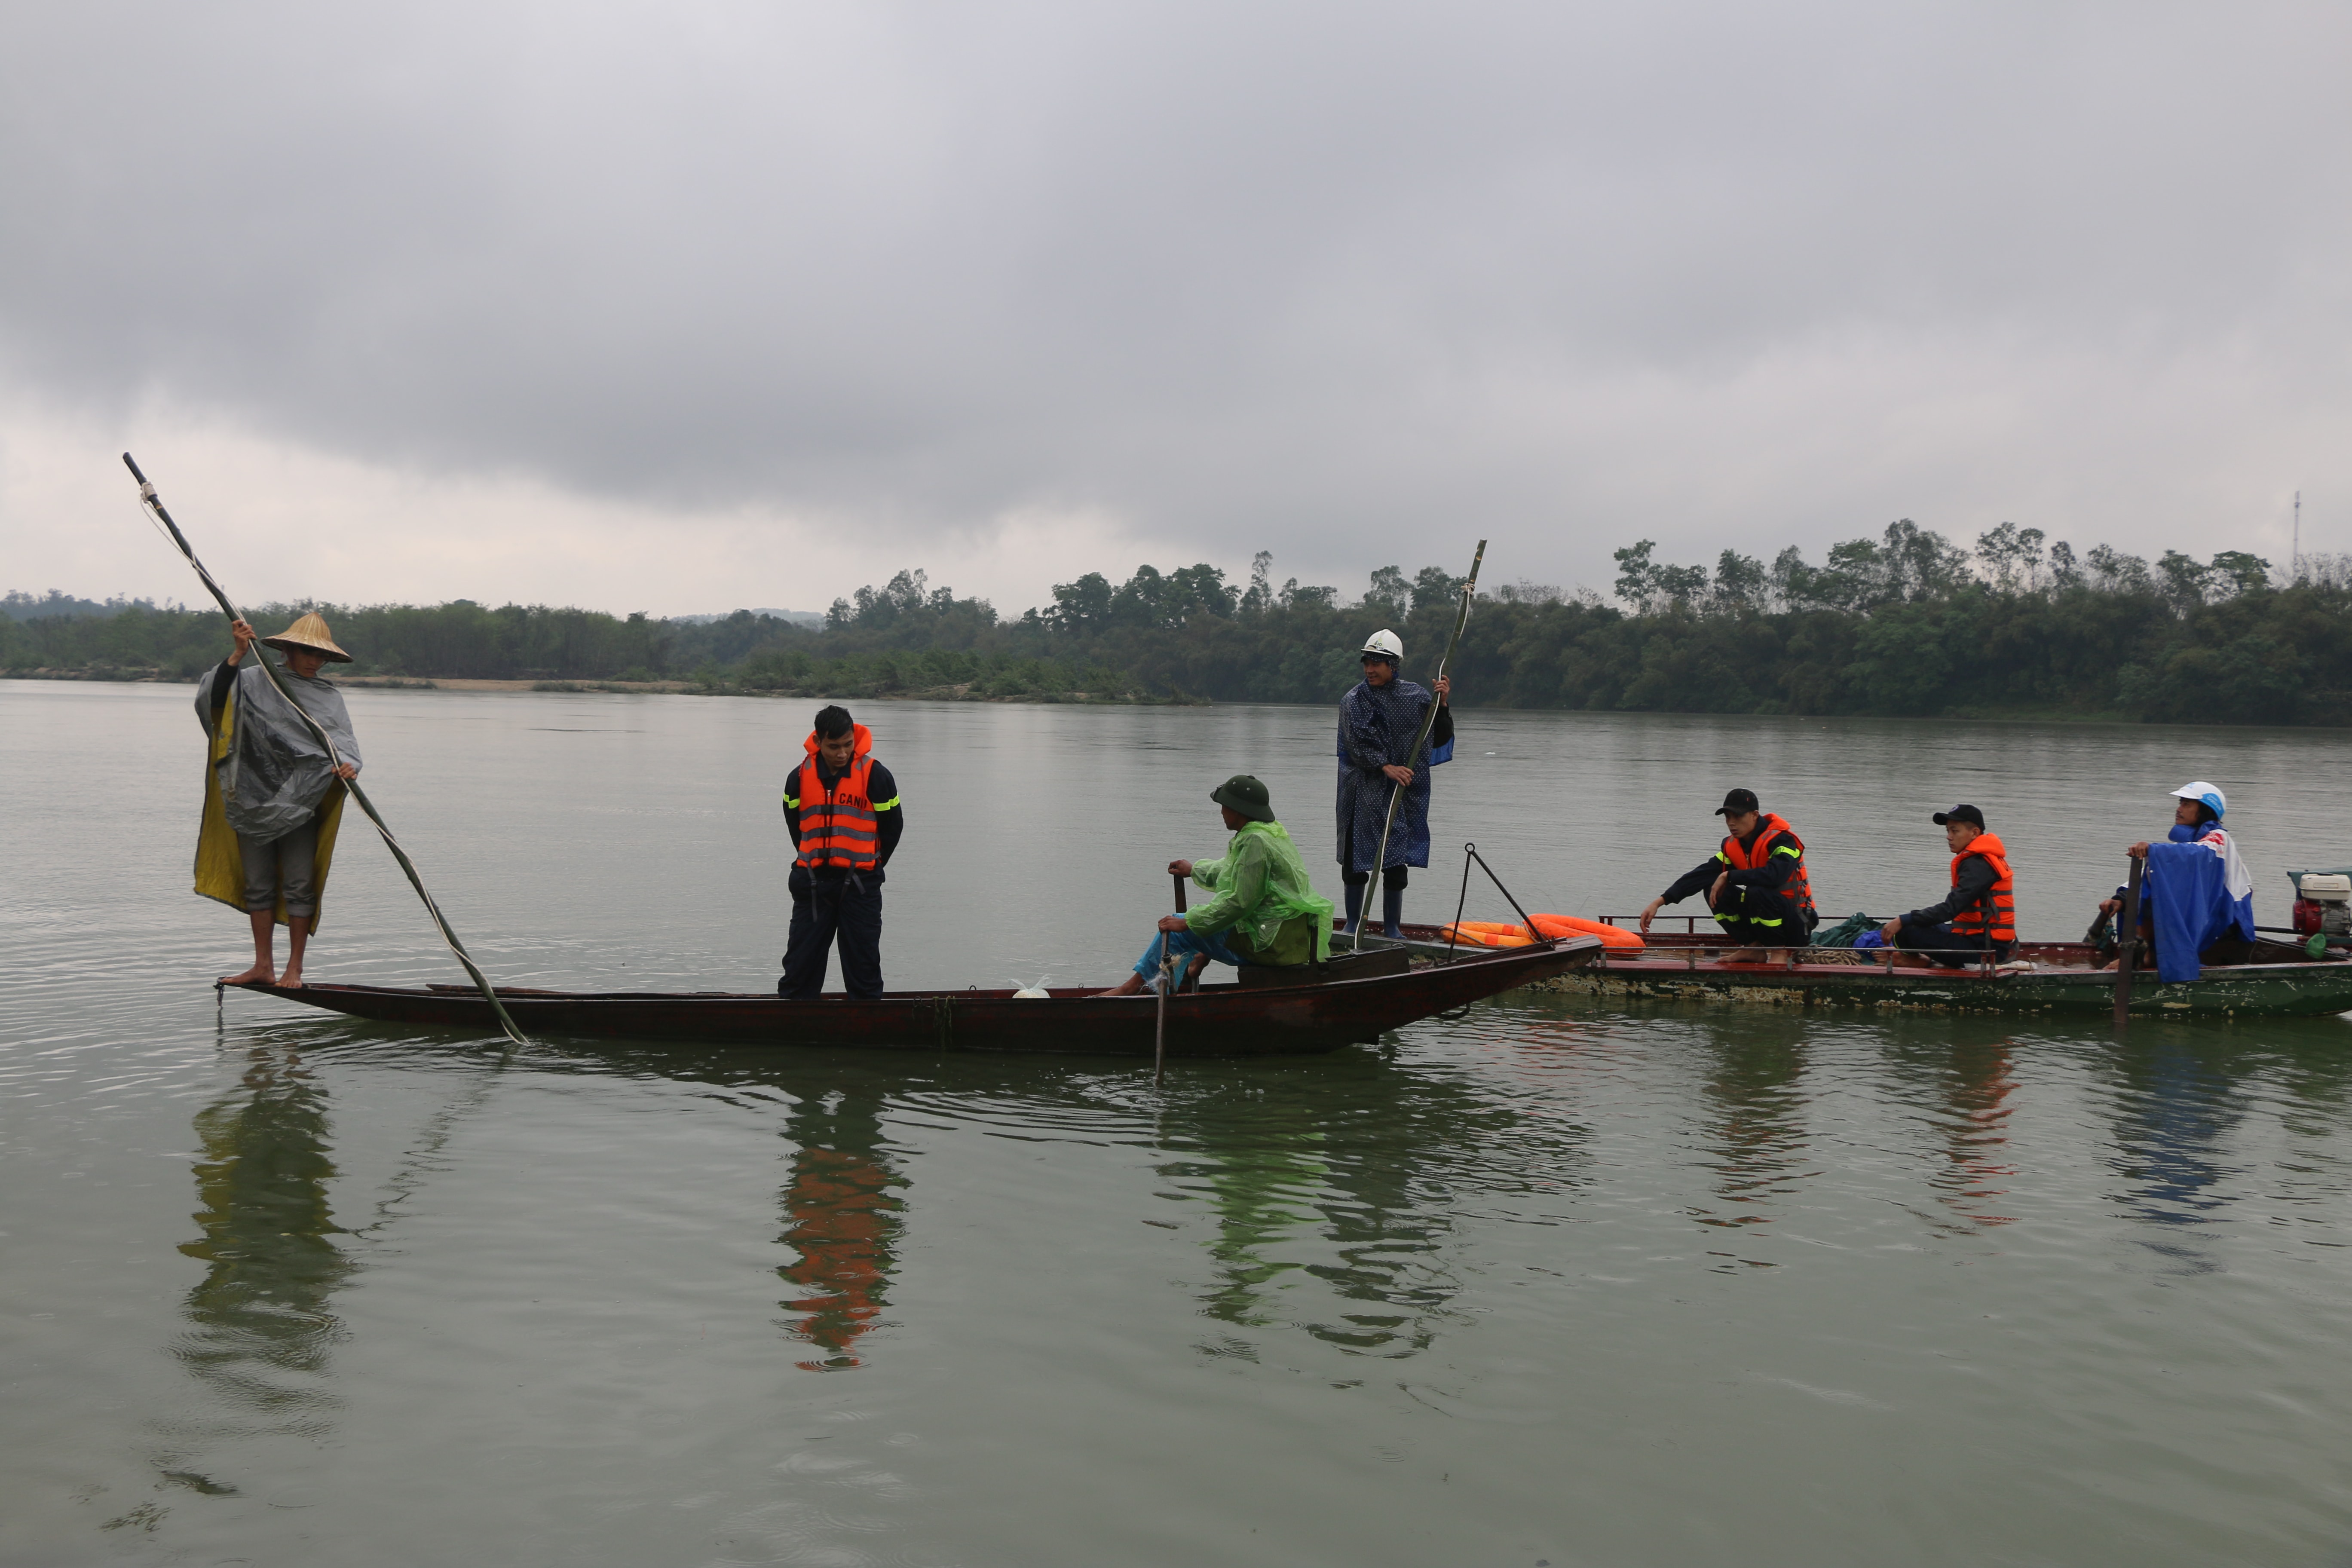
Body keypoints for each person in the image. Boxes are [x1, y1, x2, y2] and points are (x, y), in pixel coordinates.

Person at [196, 613, 362, 988]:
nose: (313, 661)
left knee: (300, 885)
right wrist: (238, 655)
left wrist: (349, 767)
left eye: (320, 656)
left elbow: (345, 747)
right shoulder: (254, 680)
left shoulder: (327, 696)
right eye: (306, 652)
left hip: (301, 800)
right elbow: (213, 702)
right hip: (251, 796)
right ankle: (263, 966)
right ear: (286, 649)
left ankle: (295, 970)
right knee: (258, 885)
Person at [1098, 775, 1334, 995]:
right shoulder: (1268, 832)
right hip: (1285, 936)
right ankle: (1194, 963)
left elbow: (1239, 903)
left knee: (1178, 930)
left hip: (1270, 944)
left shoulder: (1254, 841)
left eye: (1224, 806)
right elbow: (1234, 871)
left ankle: (1133, 991)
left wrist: (1188, 921)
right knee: (1205, 919)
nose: (1222, 812)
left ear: (1237, 809)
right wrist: (1194, 870)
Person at [780, 706, 904, 999]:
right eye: (834, 747)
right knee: (800, 967)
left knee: (863, 968)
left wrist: (871, 863)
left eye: (848, 745)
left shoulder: (877, 776)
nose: (842, 753)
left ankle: (866, 1025)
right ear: (819, 741)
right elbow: (795, 826)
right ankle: (793, 1023)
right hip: (813, 885)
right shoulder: (797, 778)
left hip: (860, 885)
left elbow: (893, 828)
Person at [1336, 630, 1453, 937]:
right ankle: (1352, 924)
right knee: (1355, 858)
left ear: (1393, 665)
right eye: (1367, 662)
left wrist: (1442, 705)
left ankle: (1392, 928)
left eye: (1378, 663)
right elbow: (1355, 744)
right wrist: (1386, 766)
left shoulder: (1416, 697)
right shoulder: (1354, 700)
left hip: (1402, 793)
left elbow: (1437, 737)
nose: (1370, 669)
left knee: (1395, 858)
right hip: (1361, 791)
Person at [2093, 781, 2257, 977]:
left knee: (2154, 893)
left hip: (2226, 915)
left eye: (2187, 804)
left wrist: (2153, 850)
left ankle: (2146, 955)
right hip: (2204, 910)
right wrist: (2121, 899)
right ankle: (2142, 951)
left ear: (2205, 810)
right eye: (2181, 803)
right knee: (2143, 892)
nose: (2179, 809)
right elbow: (2153, 877)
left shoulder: (2218, 839)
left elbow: (2199, 853)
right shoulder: (2190, 842)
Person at [1637, 788, 1819, 960]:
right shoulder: (1734, 845)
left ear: (1755, 815)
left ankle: (1780, 953)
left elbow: (1774, 876)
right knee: (1713, 889)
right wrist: (1660, 902)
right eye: (1728, 817)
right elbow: (1702, 874)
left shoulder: (1783, 840)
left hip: (1798, 923)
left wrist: (1729, 876)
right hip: (1766, 919)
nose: (1731, 823)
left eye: (1738, 816)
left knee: (1756, 891)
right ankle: (1752, 948)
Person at [1879, 805, 2016, 968]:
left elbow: (1950, 909)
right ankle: (1918, 956)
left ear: (1974, 833)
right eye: (1948, 831)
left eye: (1955, 831)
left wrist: (1904, 919)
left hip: (1986, 951)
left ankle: (1917, 961)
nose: (1949, 837)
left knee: (1906, 931)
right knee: (1916, 924)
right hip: (1977, 938)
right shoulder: (1979, 860)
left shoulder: (1979, 865)